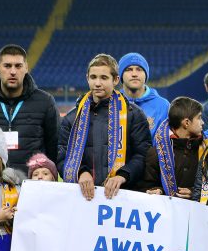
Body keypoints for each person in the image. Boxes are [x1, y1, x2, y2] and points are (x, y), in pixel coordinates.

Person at [62, 54, 157, 200]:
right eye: (93, 77)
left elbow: (142, 154)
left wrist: (123, 175)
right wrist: (80, 172)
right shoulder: (72, 118)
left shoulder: (134, 115)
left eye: (104, 78)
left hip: (122, 196)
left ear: (116, 80)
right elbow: (61, 152)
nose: (97, 83)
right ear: (87, 78)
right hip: (82, 198)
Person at [0, 45, 64, 167]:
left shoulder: (45, 101)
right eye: (7, 66)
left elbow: (54, 147)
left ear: (26, 68)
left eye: (18, 66)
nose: (13, 71)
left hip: (31, 183)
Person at [149, 97, 208, 200]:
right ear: (186, 123)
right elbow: (146, 186)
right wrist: (159, 191)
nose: (202, 122)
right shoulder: (155, 153)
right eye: (199, 118)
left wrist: (195, 192)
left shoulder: (207, 150)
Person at [118, 53, 169, 125]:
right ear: (121, 76)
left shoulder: (163, 106)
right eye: (129, 69)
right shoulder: (112, 104)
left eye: (139, 69)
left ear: (146, 75)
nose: (134, 74)